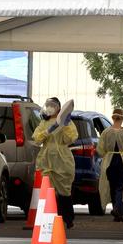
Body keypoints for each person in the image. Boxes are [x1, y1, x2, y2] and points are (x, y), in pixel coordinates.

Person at [32, 97, 78, 228]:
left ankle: (68, 219)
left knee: (64, 191)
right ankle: (48, 218)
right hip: (46, 160)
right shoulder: (43, 123)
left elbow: (71, 138)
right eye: (48, 105)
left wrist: (63, 126)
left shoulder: (67, 123)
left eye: (53, 105)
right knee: (47, 190)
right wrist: (48, 130)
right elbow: (36, 138)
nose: (50, 107)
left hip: (62, 160)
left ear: (59, 108)